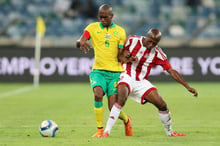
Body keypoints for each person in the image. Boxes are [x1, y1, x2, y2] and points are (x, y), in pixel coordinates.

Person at [100, 28, 198, 137]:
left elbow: (171, 71)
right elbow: (117, 55)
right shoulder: (131, 40)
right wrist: (125, 57)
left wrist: (186, 86)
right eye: (149, 41)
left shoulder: (158, 53)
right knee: (121, 98)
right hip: (126, 74)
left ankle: (169, 133)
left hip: (141, 81)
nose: (151, 45)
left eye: (154, 43)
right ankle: (106, 132)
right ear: (146, 36)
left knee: (162, 105)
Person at [76, 4, 133, 137]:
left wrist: (127, 57)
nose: (102, 20)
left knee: (112, 107)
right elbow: (81, 39)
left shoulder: (120, 31)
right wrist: (81, 42)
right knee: (97, 94)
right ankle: (100, 129)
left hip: (115, 73)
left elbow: (120, 55)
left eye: (105, 17)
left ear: (112, 16)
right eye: (100, 17)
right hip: (98, 71)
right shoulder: (92, 27)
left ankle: (126, 120)